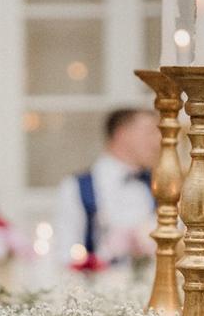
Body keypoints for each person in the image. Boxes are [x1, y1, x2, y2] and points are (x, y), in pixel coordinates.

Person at [53, 108, 160, 264]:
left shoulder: (161, 186)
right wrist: (107, 254)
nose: (158, 141)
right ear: (122, 134)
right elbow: (64, 254)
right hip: (99, 286)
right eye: (150, 132)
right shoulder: (76, 187)